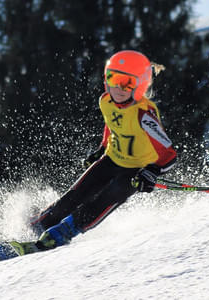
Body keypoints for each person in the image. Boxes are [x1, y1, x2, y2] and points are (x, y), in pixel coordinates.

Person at [27, 50, 177, 251]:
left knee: (107, 197)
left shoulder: (144, 114)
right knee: (75, 195)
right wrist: (102, 148)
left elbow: (169, 154)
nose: (119, 87)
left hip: (136, 170)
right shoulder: (106, 101)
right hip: (111, 159)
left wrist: (152, 171)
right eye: (113, 78)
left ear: (140, 84)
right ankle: (41, 224)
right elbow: (112, 125)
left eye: (127, 83)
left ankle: (64, 232)